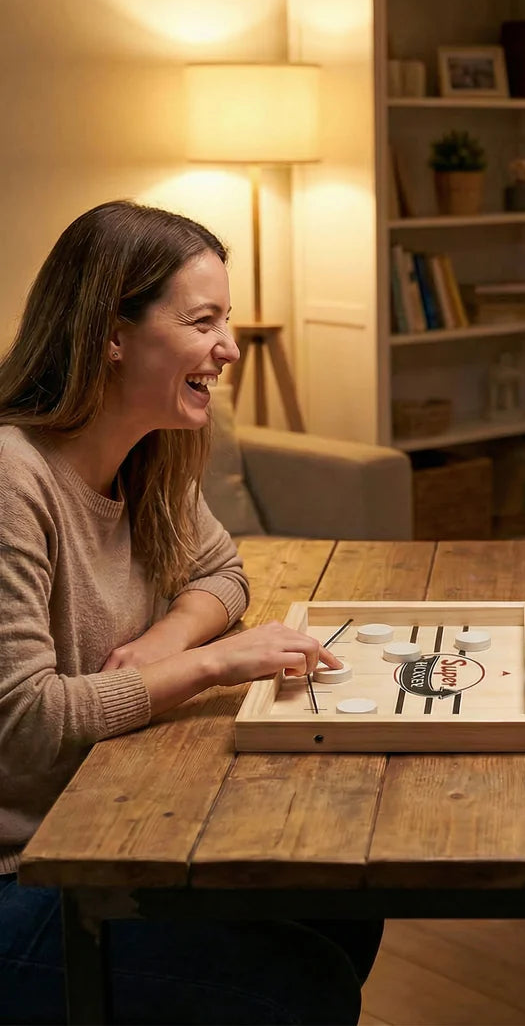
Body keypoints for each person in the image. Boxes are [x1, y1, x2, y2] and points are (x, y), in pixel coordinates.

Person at [0, 200, 382, 1024]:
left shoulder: (150, 453)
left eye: (227, 320)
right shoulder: (13, 479)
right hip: (21, 869)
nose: (230, 349)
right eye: (203, 320)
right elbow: (25, 721)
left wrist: (162, 643)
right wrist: (205, 664)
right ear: (112, 333)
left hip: (107, 824)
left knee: (349, 901)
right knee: (305, 983)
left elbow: (222, 569)